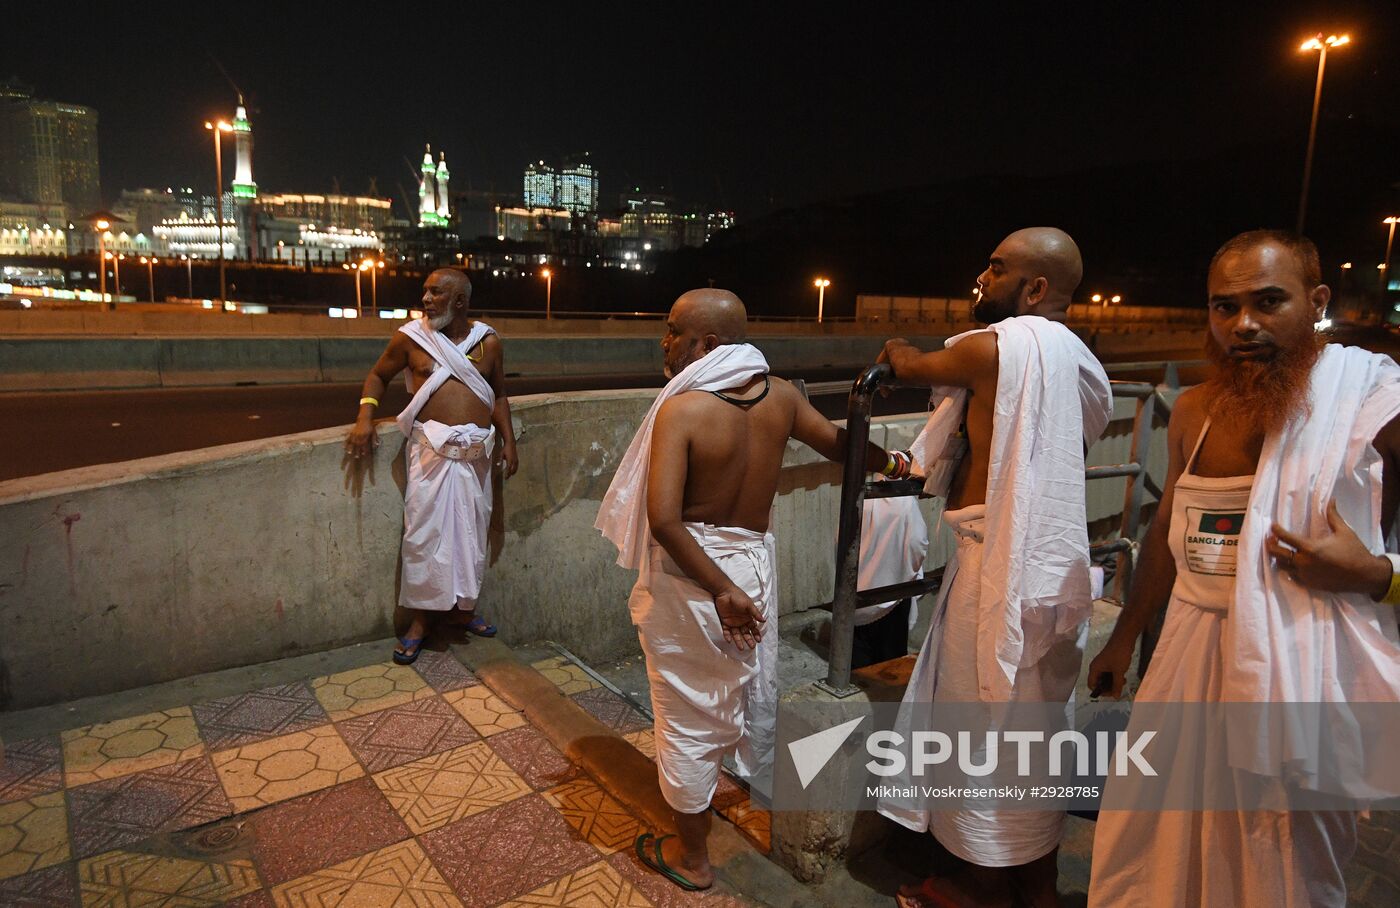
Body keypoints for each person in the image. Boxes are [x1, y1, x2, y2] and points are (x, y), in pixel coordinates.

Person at [1086, 230, 1400, 907]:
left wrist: (1379, 574)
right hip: (1186, 658)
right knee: (1151, 834)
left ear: (1316, 301)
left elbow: (1378, 570)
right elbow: (1169, 526)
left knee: (1280, 860)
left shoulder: (1367, 405)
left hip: (1299, 667)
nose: (1243, 325)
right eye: (1223, 307)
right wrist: (1122, 637)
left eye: (1268, 301)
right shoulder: (1194, 410)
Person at [595, 288, 905, 891]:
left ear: (708, 344)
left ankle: (694, 859)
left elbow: (663, 520)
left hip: (696, 575)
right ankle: (722, 785)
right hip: (753, 565)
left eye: (673, 331)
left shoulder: (681, 410)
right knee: (733, 693)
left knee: (686, 712)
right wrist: (893, 465)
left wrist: (718, 590)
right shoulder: (783, 397)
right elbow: (844, 447)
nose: (664, 343)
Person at [875, 228, 1113, 908]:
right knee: (1034, 727)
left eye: (996, 267)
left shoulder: (996, 348)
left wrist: (897, 352)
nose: (980, 276)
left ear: (1035, 289)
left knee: (981, 724)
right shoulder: (1079, 358)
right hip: (1050, 570)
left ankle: (980, 886)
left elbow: (908, 362)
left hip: (998, 571)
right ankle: (1038, 882)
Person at [345, 269, 518, 664]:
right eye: (425, 290)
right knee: (424, 538)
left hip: (475, 457)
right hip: (430, 457)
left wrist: (509, 440)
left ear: (459, 301)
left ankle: (462, 610)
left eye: (435, 292)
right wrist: (364, 417)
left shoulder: (488, 342)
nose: (425, 298)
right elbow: (377, 375)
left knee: (471, 535)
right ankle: (420, 622)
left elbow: (499, 395)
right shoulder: (411, 338)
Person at [851, 481, 930, 669]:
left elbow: (842, 541)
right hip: (894, 595)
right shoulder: (905, 502)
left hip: (859, 592)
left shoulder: (864, 497)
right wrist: (908, 572)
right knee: (890, 662)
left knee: (859, 658)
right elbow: (917, 543)